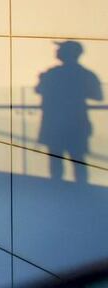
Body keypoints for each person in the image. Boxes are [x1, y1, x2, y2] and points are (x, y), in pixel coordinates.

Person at [35, 41, 102, 182]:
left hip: (55, 123)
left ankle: (58, 190)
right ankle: (81, 191)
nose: (56, 51)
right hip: (77, 122)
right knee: (78, 159)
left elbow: (39, 89)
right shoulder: (85, 74)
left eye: (60, 49)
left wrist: (42, 79)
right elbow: (98, 96)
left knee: (56, 160)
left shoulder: (53, 73)